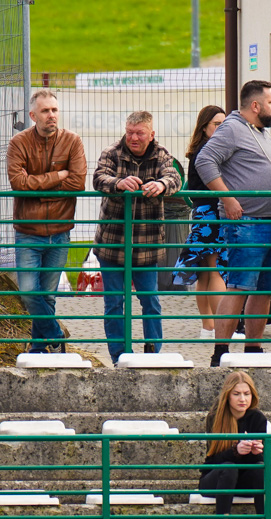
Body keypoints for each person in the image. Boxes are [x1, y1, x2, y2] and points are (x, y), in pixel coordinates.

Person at [195, 80, 271, 367]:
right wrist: (229, 198)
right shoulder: (233, 128)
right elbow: (204, 161)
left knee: (264, 290)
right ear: (256, 105)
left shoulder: (261, 131)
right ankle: (220, 352)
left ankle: (253, 350)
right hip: (247, 223)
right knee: (239, 286)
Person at [92, 110, 182, 365]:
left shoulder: (162, 154)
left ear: (151, 134)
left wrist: (162, 185)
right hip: (112, 243)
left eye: (139, 133)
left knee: (150, 301)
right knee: (114, 303)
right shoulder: (112, 152)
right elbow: (99, 178)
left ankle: (153, 354)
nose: (133, 137)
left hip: (147, 245)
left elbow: (174, 177)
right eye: (129, 132)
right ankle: (119, 356)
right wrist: (118, 183)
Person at [7, 90, 87, 354]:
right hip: (28, 232)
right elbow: (18, 184)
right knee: (30, 293)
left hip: (60, 231)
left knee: (48, 296)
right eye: (45, 111)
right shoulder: (19, 143)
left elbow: (77, 182)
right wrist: (57, 176)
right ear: (33, 115)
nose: (51, 115)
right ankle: (55, 335)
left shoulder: (72, 141)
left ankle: (38, 349)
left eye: (54, 110)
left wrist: (38, 185)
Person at [173, 105, 228, 339]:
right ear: (204, 127)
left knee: (205, 272)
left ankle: (208, 327)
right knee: (216, 271)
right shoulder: (210, 151)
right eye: (217, 124)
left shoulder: (198, 150)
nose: (221, 128)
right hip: (212, 214)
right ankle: (222, 329)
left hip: (201, 213)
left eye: (224, 124)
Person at [199, 371, 266, 519]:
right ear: (227, 396)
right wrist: (235, 450)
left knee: (261, 468)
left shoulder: (258, 418)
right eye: (236, 394)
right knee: (228, 467)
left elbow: (258, 462)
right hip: (215, 480)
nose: (242, 399)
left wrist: (256, 452)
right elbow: (213, 460)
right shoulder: (215, 417)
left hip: (244, 481)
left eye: (246, 394)